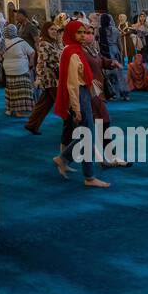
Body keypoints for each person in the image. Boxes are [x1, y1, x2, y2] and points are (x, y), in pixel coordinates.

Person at [51, 19, 109, 188]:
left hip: (83, 94)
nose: (83, 35)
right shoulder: (73, 53)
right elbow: (72, 83)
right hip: (79, 95)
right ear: (71, 33)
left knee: (87, 134)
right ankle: (89, 176)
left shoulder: (74, 49)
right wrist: (76, 108)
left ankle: (63, 158)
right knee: (88, 135)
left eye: (84, 32)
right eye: (79, 32)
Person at [25, 20, 64, 134]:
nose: (54, 32)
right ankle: (71, 125)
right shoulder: (44, 43)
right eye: (51, 29)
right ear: (46, 30)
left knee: (44, 103)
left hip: (54, 77)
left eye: (56, 30)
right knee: (62, 102)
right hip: (50, 78)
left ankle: (32, 124)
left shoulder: (54, 42)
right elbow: (46, 60)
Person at [0, 24, 35, 117]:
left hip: (8, 70)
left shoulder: (2, 42)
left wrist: (1, 59)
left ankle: (10, 109)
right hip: (21, 69)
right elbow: (32, 52)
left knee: (10, 89)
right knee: (21, 91)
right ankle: (19, 111)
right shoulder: (21, 41)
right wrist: (31, 62)